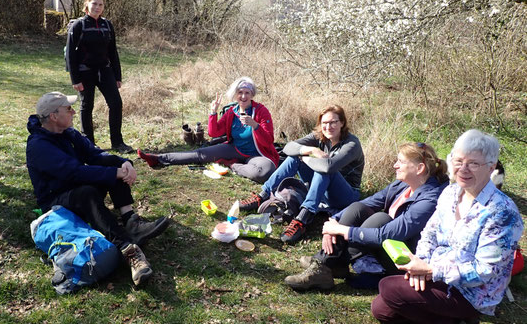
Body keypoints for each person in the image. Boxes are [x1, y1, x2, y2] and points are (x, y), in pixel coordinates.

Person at [371, 130, 523, 324]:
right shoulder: (450, 193)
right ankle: (452, 321)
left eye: (473, 164)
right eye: (458, 161)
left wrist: (432, 271)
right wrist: (420, 266)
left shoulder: (502, 212)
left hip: (471, 291)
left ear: (491, 168)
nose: (463, 169)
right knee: (382, 310)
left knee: (388, 287)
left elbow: (485, 271)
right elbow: (429, 233)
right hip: (435, 272)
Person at [26, 92, 171, 286]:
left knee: (110, 166)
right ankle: (128, 248)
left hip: (78, 188)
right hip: (56, 204)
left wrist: (122, 163)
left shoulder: (68, 133)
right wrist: (114, 173)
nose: (73, 112)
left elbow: (95, 155)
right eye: (68, 109)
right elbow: (73, 173)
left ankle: (131, 222)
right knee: (89, 192)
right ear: (53, 116)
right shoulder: (38, 146)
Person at [284, 142, 448, 290]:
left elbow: (387, 234)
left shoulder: (430, 200)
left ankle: (332, 264)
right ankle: (328, 264)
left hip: (405, 261)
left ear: (419, 168)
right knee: (358, 208)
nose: (395, 165)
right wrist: (334, 221)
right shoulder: (403, 184)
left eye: (401, 162)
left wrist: (342, 230)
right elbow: (370, 202)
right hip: (387, 247)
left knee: (381, 219)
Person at [239, 105, 365, 244]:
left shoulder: (352, 144)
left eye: (333, 122)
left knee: (323, 170)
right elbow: (289, 147)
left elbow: (329, 166)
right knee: (294, 158)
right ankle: (262, 196)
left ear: (342, 123)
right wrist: (310, 150)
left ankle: (302, 218)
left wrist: (304, 158)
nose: (328, 127)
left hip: (345, 196)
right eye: (324, 123)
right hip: (322, 188)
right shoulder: (320, 137)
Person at [137, 77, 279, 183]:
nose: (243, 96)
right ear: (235, 94)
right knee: (200, 154)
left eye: (247, 92)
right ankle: (158, 158)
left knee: (265, 172)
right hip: (234, 149)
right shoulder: (232, 112)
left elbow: (268, 141)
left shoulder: (261, 111)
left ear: (252, 94)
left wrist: (255, 125)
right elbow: (214, 133)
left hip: (257, 154)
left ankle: (233, 165)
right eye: (240, 92)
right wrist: (213, 113)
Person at [65, 0, 132, 153]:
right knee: (87, 105)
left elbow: (113, 52)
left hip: (105, 70)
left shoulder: (107, 25)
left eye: (100, 4)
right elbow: (70, 54)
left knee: (116, 103)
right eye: (94, 3)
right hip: (85, 71)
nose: (97, 7)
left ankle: (117, 142)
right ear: (87, 4)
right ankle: (89, 144)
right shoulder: (78, 25)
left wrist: (117, 76)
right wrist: (75, 79)